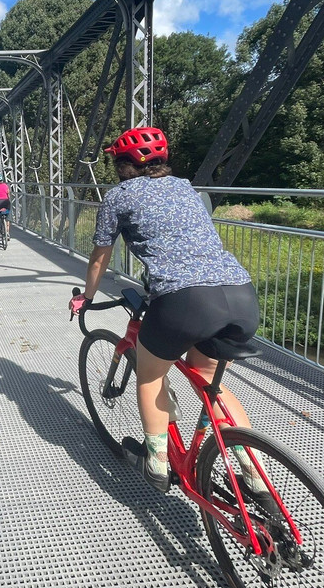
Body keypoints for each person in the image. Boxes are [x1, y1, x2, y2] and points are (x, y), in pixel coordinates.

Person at [69, 126, 261, 494]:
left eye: (117, 162)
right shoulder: (187, 187)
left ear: (125, 164)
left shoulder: (119, 196)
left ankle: (156, 464)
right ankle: (255, 473)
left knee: (150, 374)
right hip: (240, 293)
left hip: (185, 301)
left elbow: (99, 258)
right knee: (211, 383)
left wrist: (87, 298)